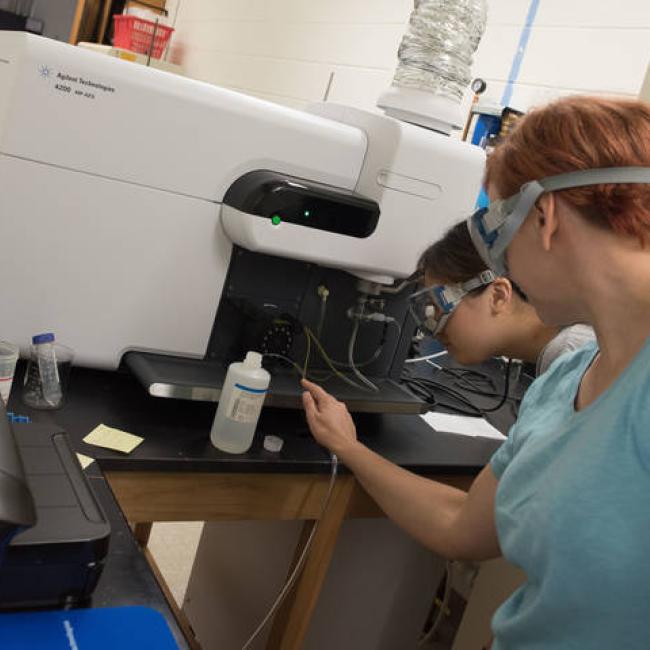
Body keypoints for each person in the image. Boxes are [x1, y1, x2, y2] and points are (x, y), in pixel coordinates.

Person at [301, 95, 650, 649]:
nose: (500, 262)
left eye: (494, 229)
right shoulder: (565, 382)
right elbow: (462, 525)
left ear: (544, 216)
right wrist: (349, 447)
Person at [411, 219, 594, 375]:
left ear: (498, 296)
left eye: (439, 306)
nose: (433, 326)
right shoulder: (561, 354)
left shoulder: (571, 357)